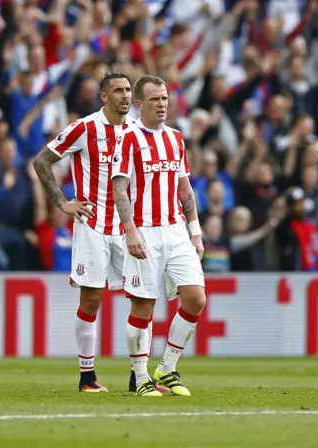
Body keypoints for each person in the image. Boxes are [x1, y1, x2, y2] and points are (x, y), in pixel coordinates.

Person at [32, 72, 148, 393]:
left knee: (142, 297)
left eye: (128, 90)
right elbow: (42, 161)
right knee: (92, 297)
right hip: (93, 223)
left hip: (129, 226)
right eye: (119, 91)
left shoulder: (138, 131)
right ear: (104, 97)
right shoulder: (85, 128)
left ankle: (139, 375)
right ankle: (87, 377)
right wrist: (62, 202)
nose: (126, 96)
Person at [111, 75, 206, 397]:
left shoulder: (176, 139)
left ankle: (166, 368)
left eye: (165, 98)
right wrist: (130, 230)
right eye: (154, 99)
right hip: (145, 231)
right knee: (143, 306)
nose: (162, 104)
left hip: (176, 230)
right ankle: (139, 376)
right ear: (139, 104)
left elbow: (185, 189)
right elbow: (120, 189)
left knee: (195, 298)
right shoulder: (128, 138)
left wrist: (195, 233)